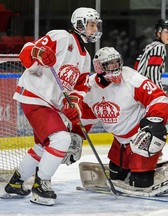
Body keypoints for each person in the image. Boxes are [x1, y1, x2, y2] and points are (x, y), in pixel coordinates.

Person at [3, 7, 102, 206]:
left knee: (42, 147)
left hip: (50, 104)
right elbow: (27, 51)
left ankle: (16, 183)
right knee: (61, 138)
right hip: (35, 96)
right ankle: (41, 186)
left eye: (95, 26)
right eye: (91, 25)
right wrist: (38, 52)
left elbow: (79, 88)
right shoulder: (61, 37)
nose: (94, 29)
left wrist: (73, 106)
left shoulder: (86, 58)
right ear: (79, 24)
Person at [77, 47, 168, 197]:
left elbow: (159, 99)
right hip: (120, 142)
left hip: (141, 138)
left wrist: (153, 124)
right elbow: (86, 114)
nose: (115, 67)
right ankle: (153, 166)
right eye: (109, 64)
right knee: (116, 176)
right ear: (99, 68)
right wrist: (76, 133)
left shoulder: (131, 79)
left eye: (116, 63)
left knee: (140, 182)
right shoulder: (90, 87)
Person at [134, 19, 168, 90]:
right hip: (147, 89)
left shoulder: (149, 46)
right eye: (166, 32)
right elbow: (153, 72)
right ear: (159, 33)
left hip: (139, 87)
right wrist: (159, 91)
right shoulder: (159, 47)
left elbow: (137, 65)